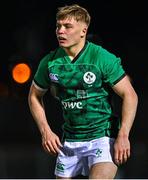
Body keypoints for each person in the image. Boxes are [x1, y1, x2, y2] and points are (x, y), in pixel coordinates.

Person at [28, 4, 138, 179]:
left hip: (103, 137)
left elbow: (130, 95)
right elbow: (34, 95)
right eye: (58, 26)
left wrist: (123, 135)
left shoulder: (101, 58)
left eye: (67, 26)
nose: (60, 31)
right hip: (70, 140)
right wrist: (45, 131)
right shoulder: (50, 62)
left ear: (83, 30)